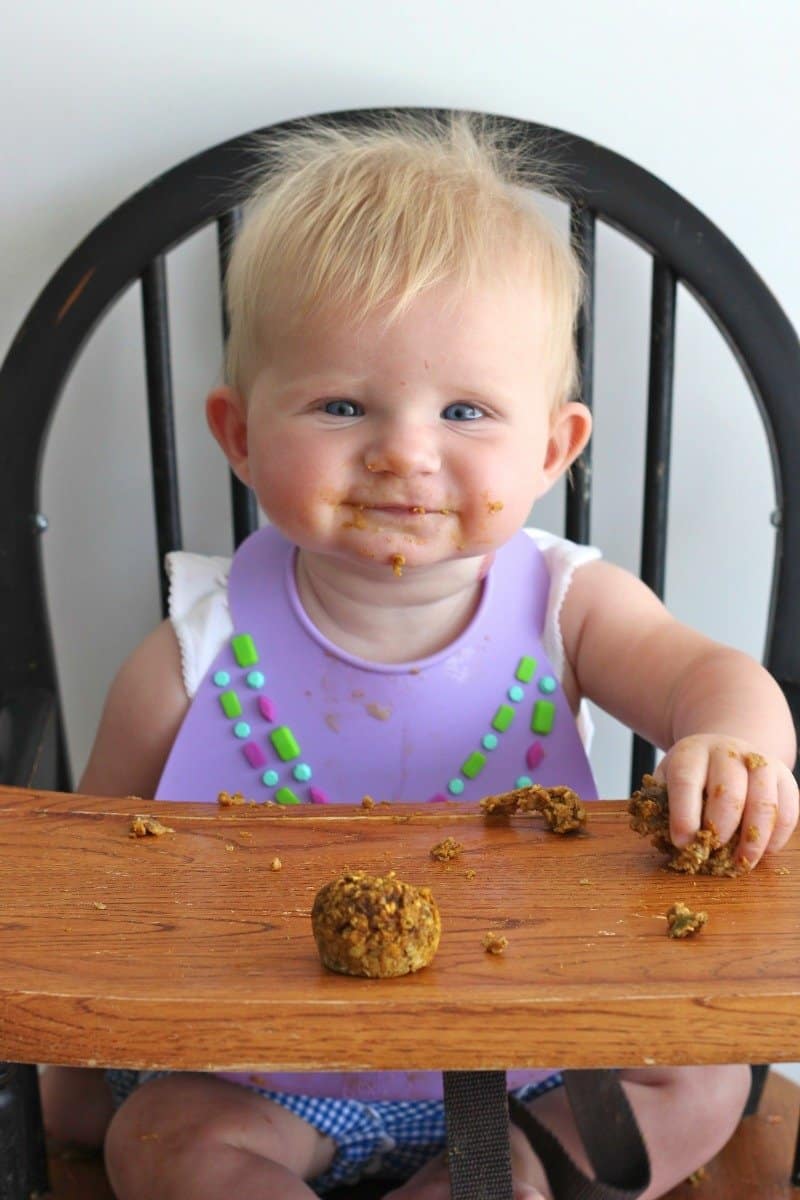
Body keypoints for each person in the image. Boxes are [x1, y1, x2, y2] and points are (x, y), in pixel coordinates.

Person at [41, 113, 798, 1200]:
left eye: (464, 410)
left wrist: (730, 742)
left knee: (703, 1081)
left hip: (535, 1055)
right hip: (265, 1077)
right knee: (160, 1139)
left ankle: (489, 1173)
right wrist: (74, 1065)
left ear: (551, 449)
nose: (403, 450)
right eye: (342, 405)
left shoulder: (567, 606)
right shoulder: (195, 656)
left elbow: (708, 678)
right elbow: (80, 882)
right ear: (241, 436)